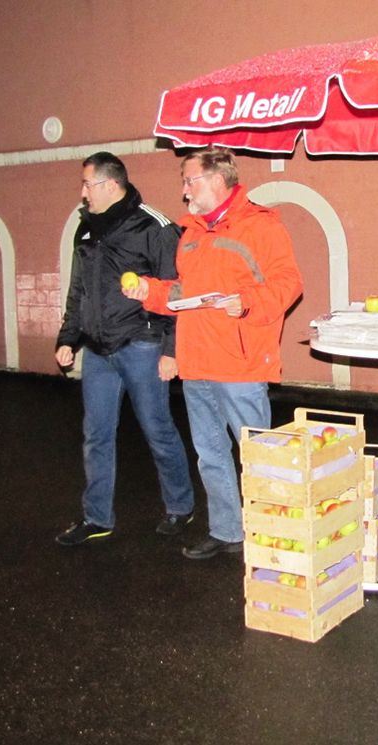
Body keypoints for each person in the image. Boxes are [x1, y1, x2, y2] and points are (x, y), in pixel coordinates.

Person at [125, 147, 303, 560]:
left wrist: (247, 301)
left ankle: (271, 534)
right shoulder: (190, 234)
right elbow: (183, 293)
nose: (185, 191)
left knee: (258, 454)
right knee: (210, 454)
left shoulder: (260, 225)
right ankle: (227, 531)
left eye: (190, 181)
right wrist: (148, 290)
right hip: (197, 361)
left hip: (240, 362)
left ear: (218, 181)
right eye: (185, 182)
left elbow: (289, 282)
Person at [54, 152, 195, 546]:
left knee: (157, 429)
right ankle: (96, 517)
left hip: (142, 344)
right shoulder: (86, 229)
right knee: (96, 435)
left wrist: (171, 350)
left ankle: (180, 506)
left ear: (111, 185)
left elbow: (177, 291)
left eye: (88, 185)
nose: (83, 193)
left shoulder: (153, 226)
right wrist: (68, 338)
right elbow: (78, 291)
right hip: (98, 350)